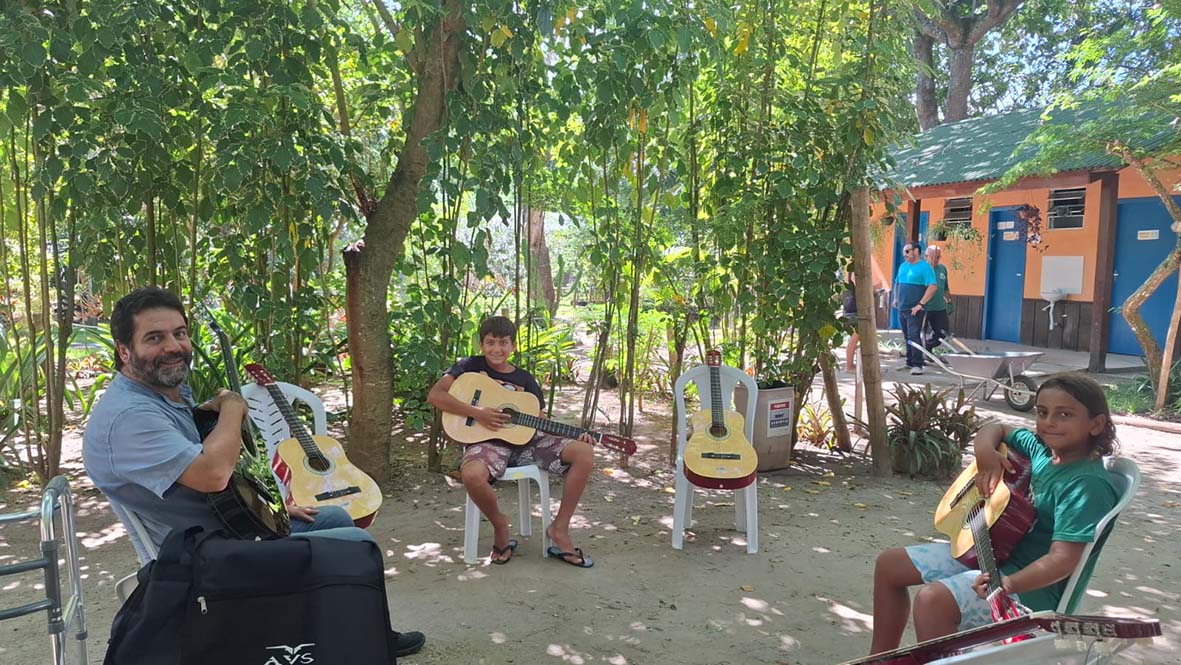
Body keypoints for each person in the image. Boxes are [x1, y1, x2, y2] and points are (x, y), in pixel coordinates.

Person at [82, 287, 425, 657]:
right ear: (124, 351)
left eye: (179, 333)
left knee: (336, 516)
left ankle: (366, 628)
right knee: (359, 544)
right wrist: (232, 406)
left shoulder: (164, 397)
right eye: (154, 338)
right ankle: (353, 644)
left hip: (228, 529)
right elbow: (213, 474)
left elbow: (221, 483)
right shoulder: (130, 417)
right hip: (200, 556)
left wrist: (268, 509)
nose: (172, 346)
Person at [867, 374, 1119, 654]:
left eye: (1065, 414)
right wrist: (984, 452)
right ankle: (880, 659)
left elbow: (1063, 560)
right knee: (890, 565)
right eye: (1043, 412)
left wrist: (1007, 585)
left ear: (1096, 424)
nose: (1049, 422)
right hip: (996, 553)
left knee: (932, 601)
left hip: (1029, 589)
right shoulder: (1042, 452)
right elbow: (996, 427)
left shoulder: (1086, 484)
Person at [427, 315, 596, 567]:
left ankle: (559, 528)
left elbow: (538, 420)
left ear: (513, 346)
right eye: (490, 342)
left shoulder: (526, 379)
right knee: (472, 474)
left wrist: (572, 435)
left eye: (503, 343)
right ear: (481, 344)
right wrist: (478, 413)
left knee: (584, 452)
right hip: (486, 441)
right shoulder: (467, 367)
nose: (497, 349)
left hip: (526, 442)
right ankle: (500, 525)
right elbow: (436, 395)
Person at [892, 242, 937, 375]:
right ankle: (909, 362)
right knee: (907, 335)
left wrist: (921, 304)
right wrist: (895, 298)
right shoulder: (903, 266)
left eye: (907, 251)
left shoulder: (925, 268)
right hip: (902, 307)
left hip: (915, 308)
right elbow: (897, 283)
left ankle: (918, 364)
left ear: (916, 251)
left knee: (914, 335)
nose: (904, 254)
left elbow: (933, 286)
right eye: (904, 251)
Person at [922, 245, 952, 351]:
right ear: (926, 256)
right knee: (920, 333)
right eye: (934, 257)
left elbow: (946, 287)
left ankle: (929, 345)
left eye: (938, 257)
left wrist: (949, 302)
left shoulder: (942, 269)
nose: (936, 259)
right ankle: (919, 357)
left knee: (943, 332)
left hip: (939, 307)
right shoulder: (921, 270)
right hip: (924, 307)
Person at [841, 267, 860, 372]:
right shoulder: (855, 270)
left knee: (857, 337)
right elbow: (860, 286)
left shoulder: (851, 269)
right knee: (856, 336)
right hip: (854, 307)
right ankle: (849, 365)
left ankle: (851, 364)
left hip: (853, 306)